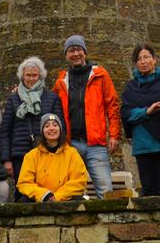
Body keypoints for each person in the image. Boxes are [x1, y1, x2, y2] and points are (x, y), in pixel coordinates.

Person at [52, 34, 120, 198]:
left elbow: (112, 105)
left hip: (95, 144)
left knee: (105, 191)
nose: (75, 54)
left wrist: (114, 135)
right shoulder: (61, 81)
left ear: (85, 52)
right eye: (71, 51)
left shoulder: (101, 75)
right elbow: (49, 103)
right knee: (70, 192)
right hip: (71, 144)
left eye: (78, 49)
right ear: (66, 55)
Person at [119, 43, 160, 196]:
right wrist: (147, 111)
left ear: (154, 59)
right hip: (143, 144)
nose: (143, 62)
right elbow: (126, 113)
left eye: (146, 57)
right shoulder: (131, 87)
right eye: (139, 59)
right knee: (148, 190)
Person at [1, 56, 61, 198]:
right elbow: (5, 131)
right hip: (20, 154)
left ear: (40, 76)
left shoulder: (52, 98)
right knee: (22, 191)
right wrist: (6, 159)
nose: (31, 78)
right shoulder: (14, 99)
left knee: (45, 189)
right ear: (22, 76)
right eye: (28, 75)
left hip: (45, 152)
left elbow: (60, 125)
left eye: (34, 75)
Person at [17, 114, 89, 203]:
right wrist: (44, 195)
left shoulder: (72, 153)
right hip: (41, 200)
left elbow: (79, 181)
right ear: (42, 131)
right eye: (47, 126)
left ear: (60, 129)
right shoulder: (31, 156)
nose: (51, 128)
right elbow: (24, 183)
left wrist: (57, 196)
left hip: (65, 198)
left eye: (55, 125)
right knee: (23, 201)